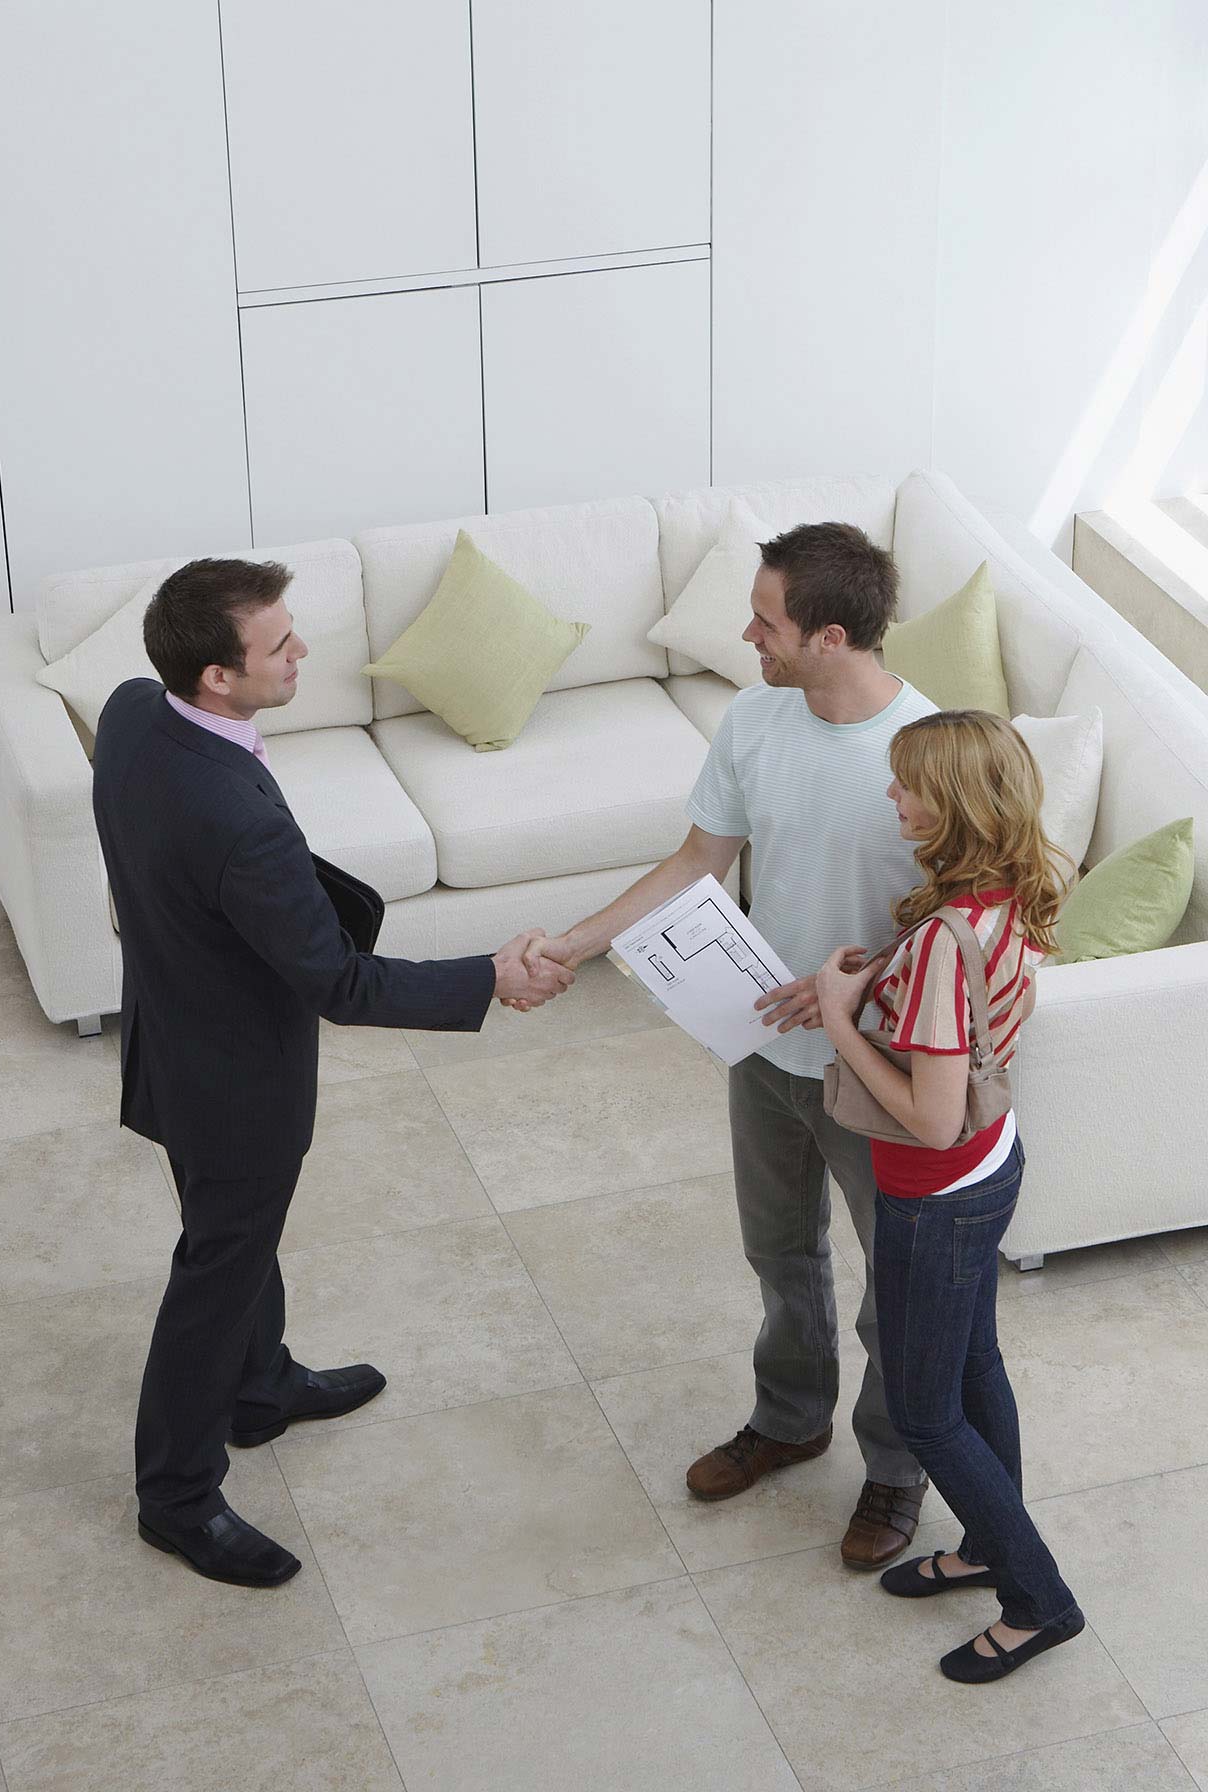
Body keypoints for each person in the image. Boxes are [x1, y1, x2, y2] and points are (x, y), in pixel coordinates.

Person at [92, 557, 572, 1590]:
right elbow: (341, 985)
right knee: (213, 1274)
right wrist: (489, 976)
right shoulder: (239, 821)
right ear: (218, 675)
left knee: (235, 1236)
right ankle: (174, 1495)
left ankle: (259, 1386)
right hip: (235, 1085)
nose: (302, 650)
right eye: (278, 644)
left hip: (170, 1038)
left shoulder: (136, 711)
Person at [526, 522, 939, 1567]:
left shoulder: (930, 755)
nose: (745, 634)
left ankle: (894, 1470)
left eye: (765, 621)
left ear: (829, 635)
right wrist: (574, 946)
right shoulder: (756, 718)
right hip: (761, 1051)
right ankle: (791, 1416)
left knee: (892, 1292)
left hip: (878, 1073)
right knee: (777, 1253)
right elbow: (699, 858)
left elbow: (983, 920)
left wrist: (856, 988)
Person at [814, 709, 1084, 1682]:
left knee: (926, 1411)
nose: (891, 795)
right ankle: (982, 1544)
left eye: (905, 783)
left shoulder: (939, 941)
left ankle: (1036, 1599)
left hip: (935, 1187)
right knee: (974, 1367)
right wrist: (874, 980)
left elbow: (926, 1118)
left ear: (956, 805)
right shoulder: (1002, 895)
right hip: (989, 1160)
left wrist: (841, 1022)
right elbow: (963, 1033)